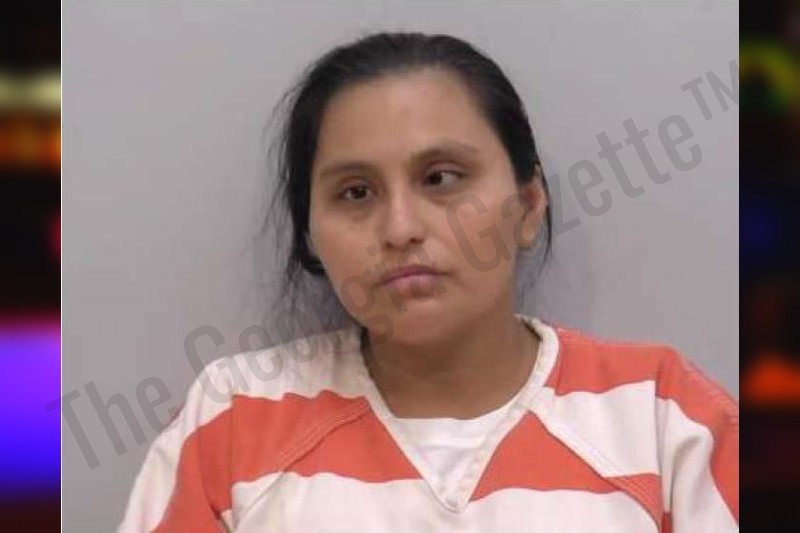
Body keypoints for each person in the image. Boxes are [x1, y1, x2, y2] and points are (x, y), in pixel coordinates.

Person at [117, 31, 739, 533]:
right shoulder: (234, 417)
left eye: (441, 179)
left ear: (527, 206)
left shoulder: (664, 419)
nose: (400, 228)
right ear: (311, 234)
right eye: (355, 193)